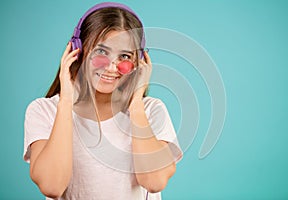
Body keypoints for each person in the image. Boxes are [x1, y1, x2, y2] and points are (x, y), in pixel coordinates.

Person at [23, 2, 182, 200]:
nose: (111, 68)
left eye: (124, 56)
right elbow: (52, 186)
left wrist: (136, 105)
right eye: (101, 52)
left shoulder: (151, 110)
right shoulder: (44, 110)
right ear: (77, 51)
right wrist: (66, 100)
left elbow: (154, 181)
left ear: (138, 62)